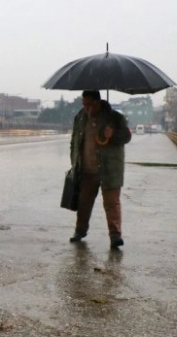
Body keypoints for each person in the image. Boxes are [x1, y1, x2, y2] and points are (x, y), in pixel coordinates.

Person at [69, 90, 131, 248]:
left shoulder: (115, 118)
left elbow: (127, 136)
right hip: (87, 170)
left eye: (89, 104)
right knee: (84, 203)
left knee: (112, 203)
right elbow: (74, 141)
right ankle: (80, 231)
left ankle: (115, 235)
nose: (86, 108)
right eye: (84, 104)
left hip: (109, 169)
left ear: (98, 102)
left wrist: (113, 134)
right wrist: (74, 162)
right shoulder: (80, 117)